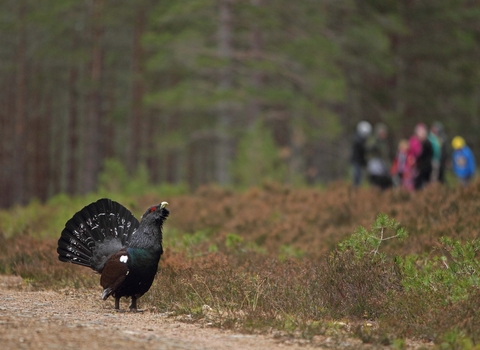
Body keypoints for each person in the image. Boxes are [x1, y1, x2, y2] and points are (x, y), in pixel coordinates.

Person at [367, 123, 393, 190]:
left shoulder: (384, 143)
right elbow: (369, 149)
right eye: (382, 133)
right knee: (376, 181)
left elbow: (385, 155)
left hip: (383, 164)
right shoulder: (374, 141)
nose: (384, 135)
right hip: (375, 164)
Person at [409, 123, 433, 190]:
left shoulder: (426, 143)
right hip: (421, 167)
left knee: (422, 183)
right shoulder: (420, 142)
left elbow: (421, 155)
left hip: (424, 167)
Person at [351, 121, 372, 187]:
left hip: (361, 161)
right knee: (357, 177)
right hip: (357, 161)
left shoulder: (362, 140)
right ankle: (356, 189)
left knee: (360, 177)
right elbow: (364, 149)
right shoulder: (357, 140)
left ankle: (358, 189)